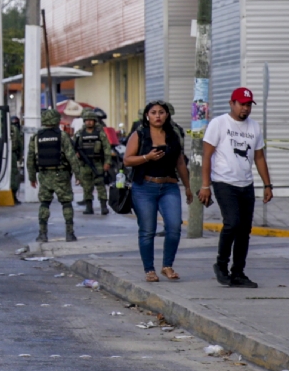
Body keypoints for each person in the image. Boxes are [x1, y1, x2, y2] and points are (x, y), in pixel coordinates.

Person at [200, 87, 274, 287]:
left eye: (249, 105)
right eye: (242, 104)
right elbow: (206, 156)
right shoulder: (219, 123)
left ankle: (238, 272)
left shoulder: (254, 127)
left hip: (246, 184)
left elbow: (259, 157)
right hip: (224, 182)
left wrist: (267, 184)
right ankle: (221, 265)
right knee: (232, 223)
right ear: (232, 103)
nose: (246, 108)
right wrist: (205, 185)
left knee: (244, 230)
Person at [123, 99, 191, 282]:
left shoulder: (173, 135)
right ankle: (149, 270)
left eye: (161, 112)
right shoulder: (140, 135)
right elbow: (127, 160)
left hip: (169, 186)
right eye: (153, 112)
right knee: (147, 230)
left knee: (174, 226)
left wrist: (188, 188)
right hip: (144, 187)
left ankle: (167, 266)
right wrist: (147, 157)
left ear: (167, 115)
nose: (157, 116)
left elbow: (180, 163)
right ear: (147, 115)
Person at [28, 107, 84, 242]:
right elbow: (72, 157)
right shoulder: (62, 136)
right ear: (57, 120)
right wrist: (78, 175)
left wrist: (32, 177)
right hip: (61, 175)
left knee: (44, 204)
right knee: (66, 203)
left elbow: (30, 159)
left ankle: (42, 234)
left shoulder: (36, 137)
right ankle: (69, 234)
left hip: (44, 175)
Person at [75, 108, 115, 215]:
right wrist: (76, 155)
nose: (89, 122)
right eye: (87, 120)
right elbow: (73, 147)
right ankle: (89, 207)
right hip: (84, 164)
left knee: (100, 185)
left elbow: (106, 148)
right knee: (87, 186)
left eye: (91, 120)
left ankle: (103, 206)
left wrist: (107, 162)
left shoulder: (100, 133)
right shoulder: (79, 134)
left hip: (98, 163)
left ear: (94, 121)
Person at [9, 114, 24, 200]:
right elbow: (20, 145)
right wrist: (20, 157)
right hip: (13, 154)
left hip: (8, 154)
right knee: (14, 175)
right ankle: (13, 195)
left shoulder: (5, 128)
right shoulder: (16, 130)